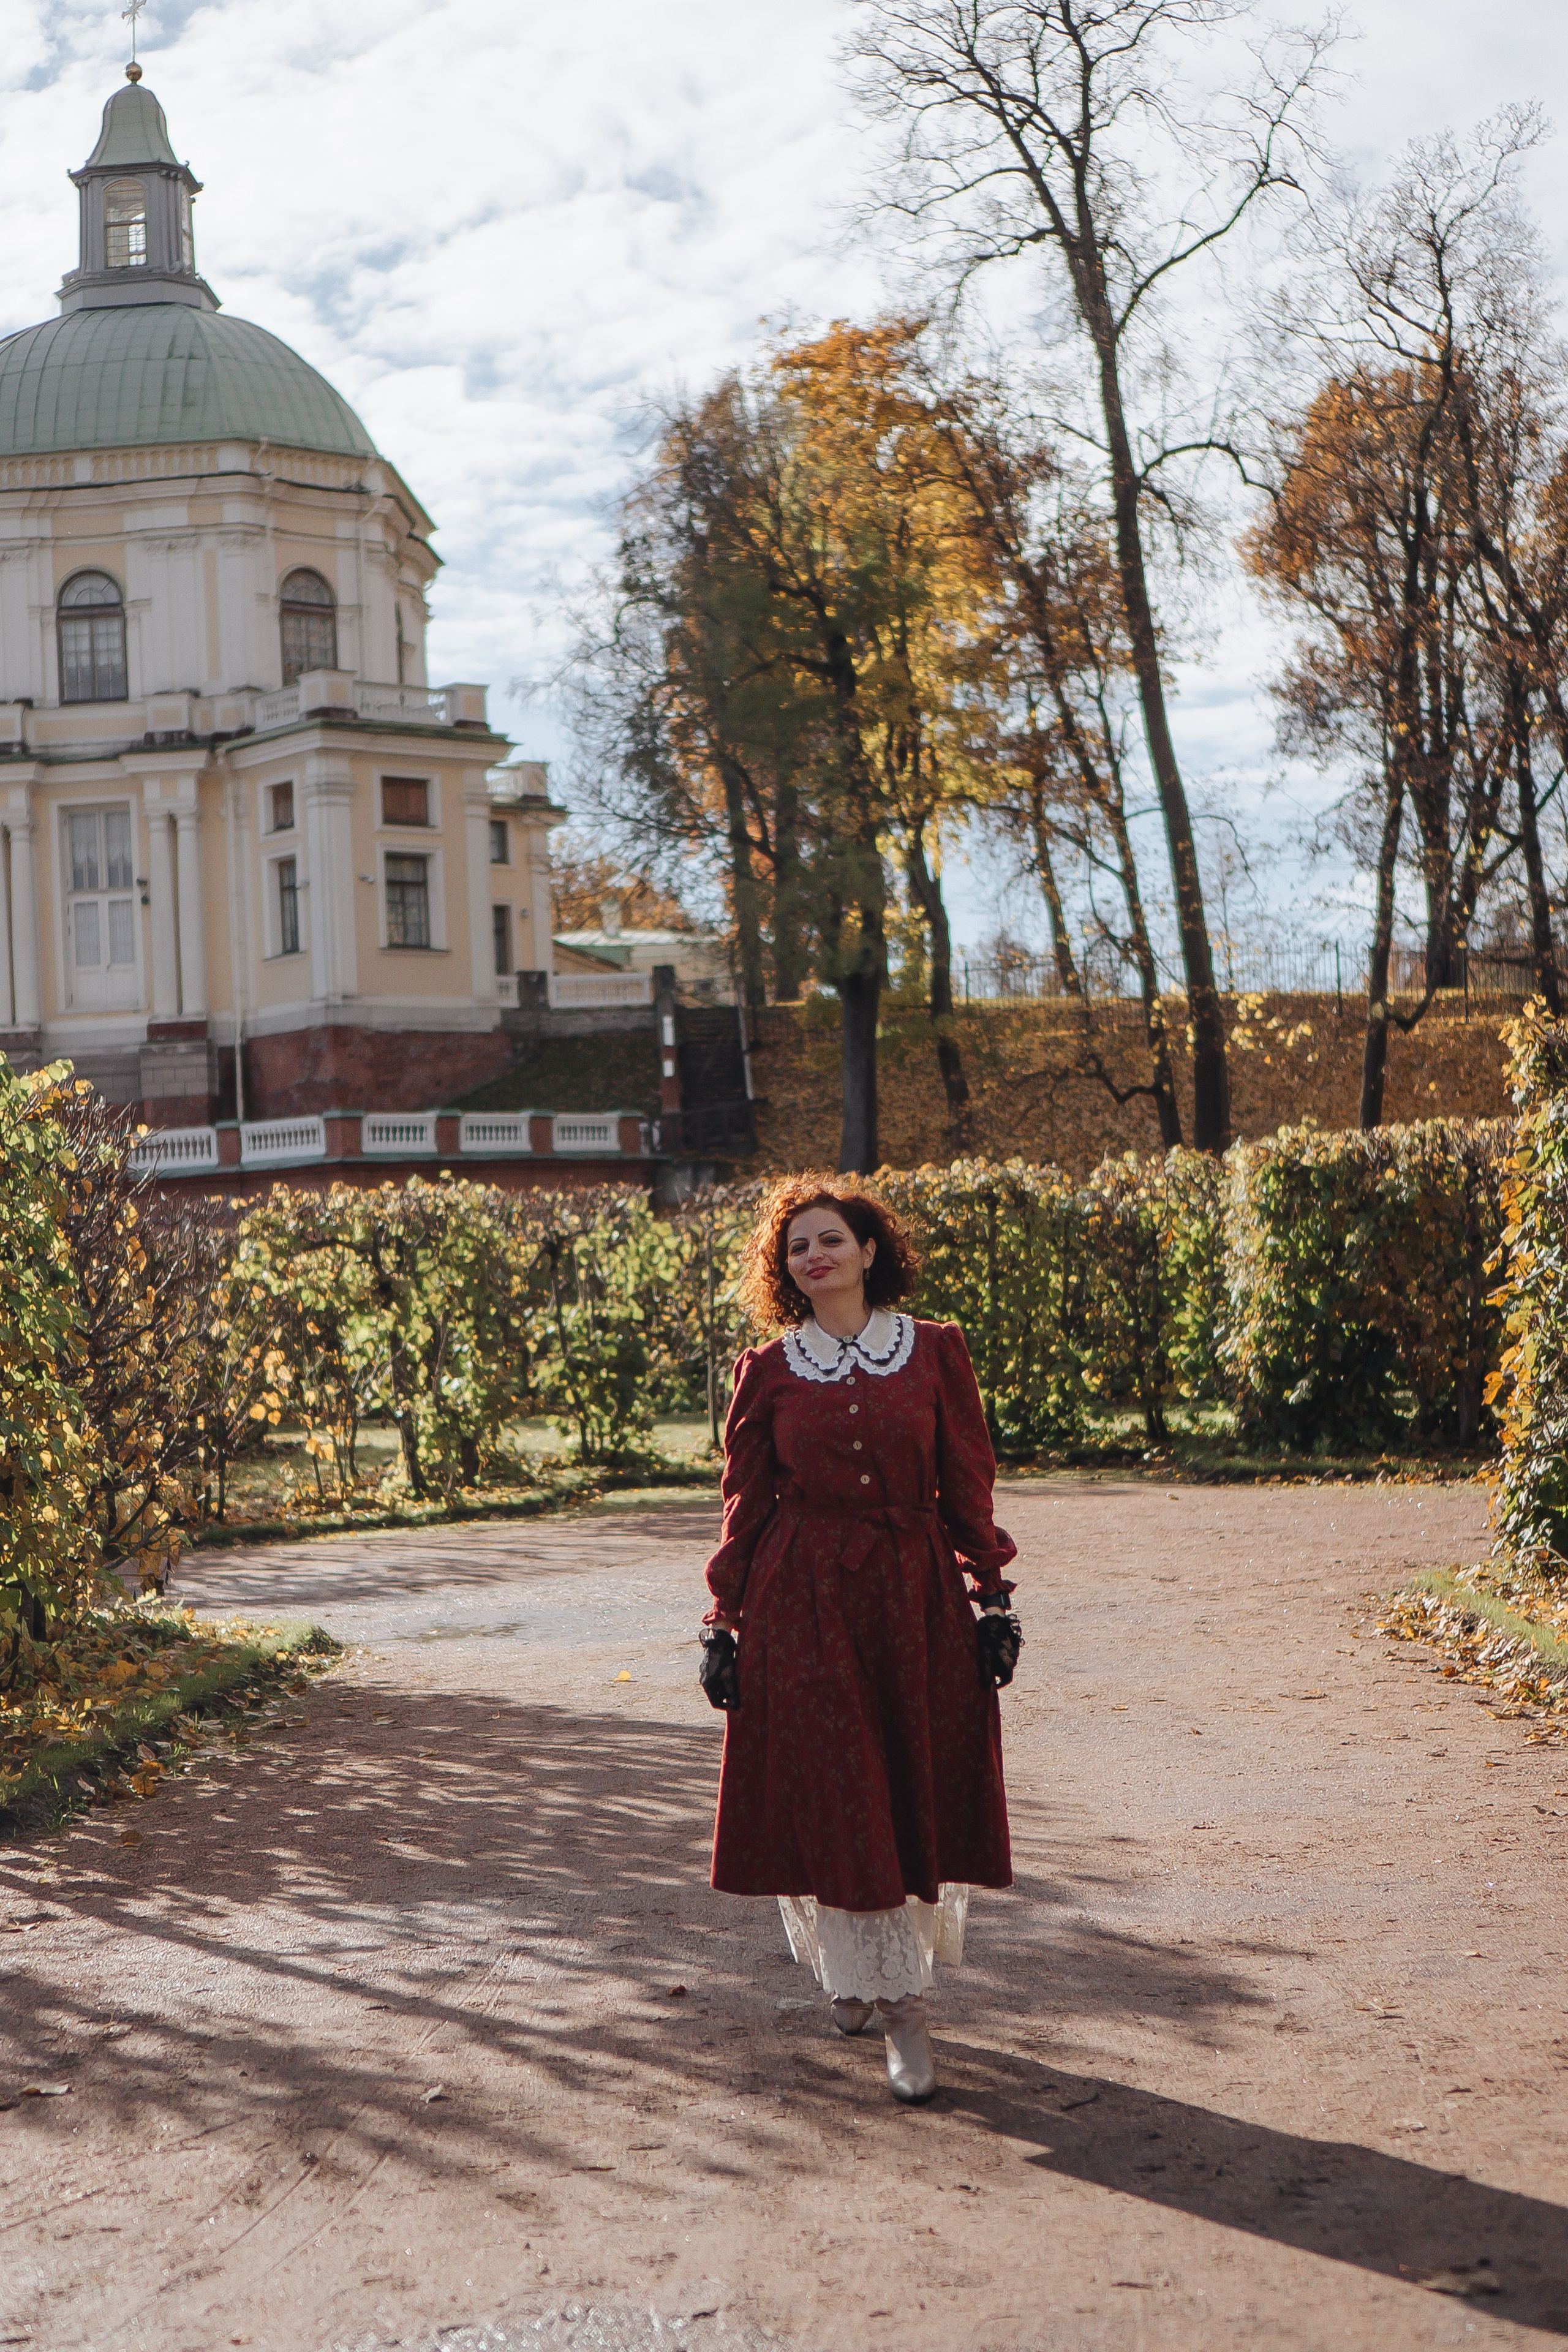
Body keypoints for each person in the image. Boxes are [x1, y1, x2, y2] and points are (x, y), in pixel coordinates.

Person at [698, 1177, 1022, 2105]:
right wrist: (725, 1621)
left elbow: (967, 1482)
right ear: (787, 1269)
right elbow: (745, 1506)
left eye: (831, 1239)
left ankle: (868, 1981)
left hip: (911, 1596)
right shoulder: (768, 1370)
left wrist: (991, 1597)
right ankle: (899, 2013)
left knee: (906, 1786)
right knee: (841, 1787)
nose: (816, 1256)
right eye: (798, 1246)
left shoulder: (933, 1354)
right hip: (802, 1600)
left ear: (870, 1251)